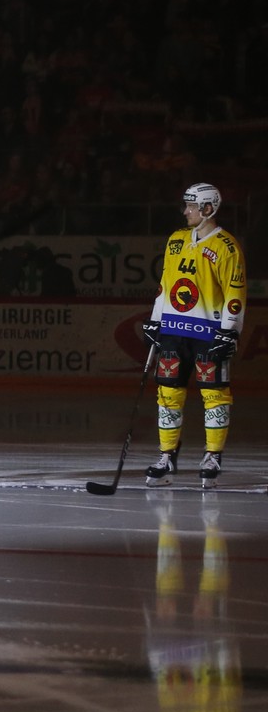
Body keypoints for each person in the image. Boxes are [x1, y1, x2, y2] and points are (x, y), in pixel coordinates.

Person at [140, 183, 246, 489]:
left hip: (209, 334)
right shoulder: (176, 240)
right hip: (174, 330)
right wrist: (154, 319)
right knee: (168, 394)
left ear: (208, 209)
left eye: (191, 206)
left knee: (214, 395)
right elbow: (165, 283)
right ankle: (167, 456)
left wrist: (230, 331)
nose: (185, 211)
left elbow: (235, 293)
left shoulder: (227, 247)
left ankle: (212, 456)